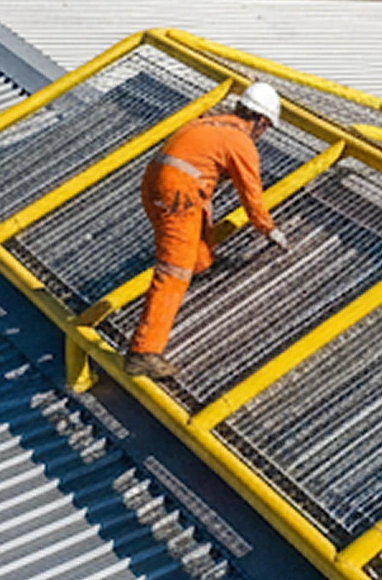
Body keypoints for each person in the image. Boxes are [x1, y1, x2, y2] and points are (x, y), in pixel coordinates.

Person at [124, 82, 289, 380]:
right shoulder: (240, 142)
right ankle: (143, 352)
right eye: (266, 128)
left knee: (199, 223)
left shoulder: (206, 123)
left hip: (154, 185)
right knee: (174, 273)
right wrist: (269, 229)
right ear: (260, 121)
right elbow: (252, 195)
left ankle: (203, 264)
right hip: (178, 195)